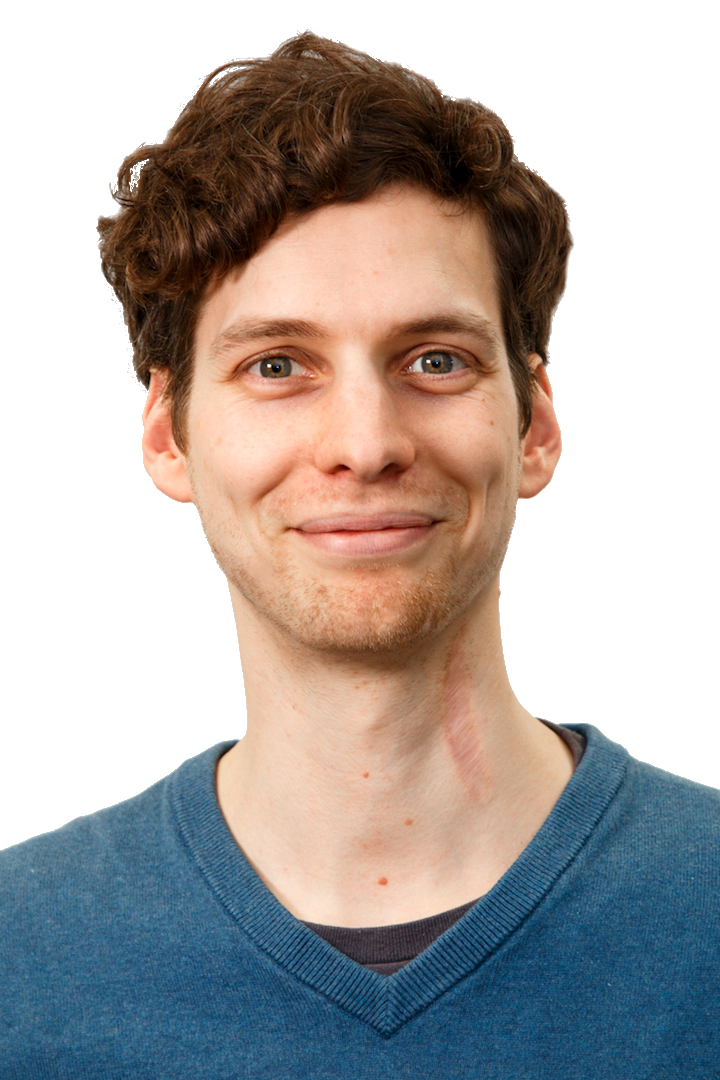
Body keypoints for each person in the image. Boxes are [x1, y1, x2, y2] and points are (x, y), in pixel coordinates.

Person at [1, 31, 718, 1078]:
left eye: (436, 359)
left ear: (534, 427)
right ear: (169, 434)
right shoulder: (23, 966)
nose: (366, 444)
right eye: (278, 364)